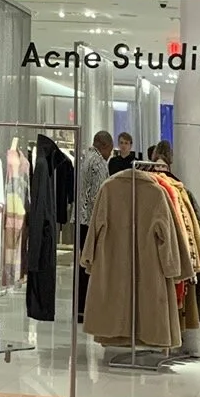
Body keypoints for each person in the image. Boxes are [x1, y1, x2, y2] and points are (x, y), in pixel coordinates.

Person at [75, 131, 114, 323]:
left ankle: (80, 308)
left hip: (79, 219)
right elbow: (99, 197)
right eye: (110, 150)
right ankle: (87, 308)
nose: (110, 155)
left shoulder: (85, 158)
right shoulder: (98, 163)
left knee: (81, 266)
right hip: (90, 221)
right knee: (90, 266)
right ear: (104, 146)